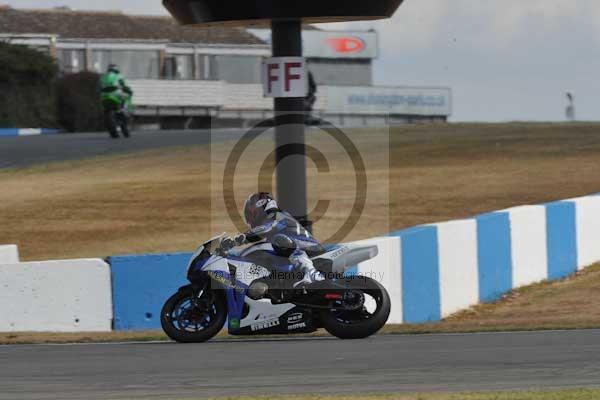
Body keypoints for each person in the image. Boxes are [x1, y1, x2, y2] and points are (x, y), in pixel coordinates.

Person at [222, 192, 325, 288]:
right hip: (301, 249)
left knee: (279, 240)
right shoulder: (279, 217)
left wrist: (238, 239)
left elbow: (266, 228)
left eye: (250, 214)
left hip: (308, 248)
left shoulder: (276, 216)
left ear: (259, 206)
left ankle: (312, 273)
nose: (250, 219)